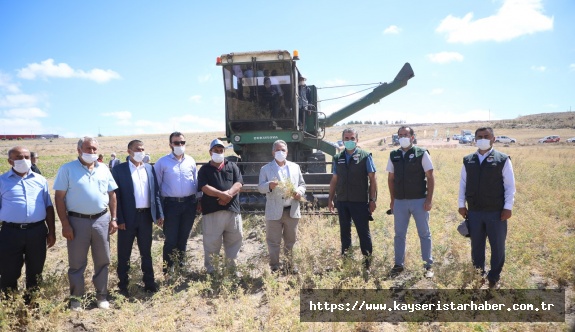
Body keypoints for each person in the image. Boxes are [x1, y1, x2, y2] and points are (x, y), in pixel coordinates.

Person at [53, 137, 118, 311]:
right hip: (76, 221)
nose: (92, 152)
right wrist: (65, 224)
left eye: (94, 149)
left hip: (101, 220)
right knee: (76, 262)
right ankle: (76, 299)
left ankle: (102, 296)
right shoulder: (67, 169)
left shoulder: (103, 168)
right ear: (79, 149)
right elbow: (59, 197)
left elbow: (112, 194)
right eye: (88, 149)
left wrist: (113, 218)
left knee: (103, 259)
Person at [458, 127, 515, 289]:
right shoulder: (468, 160)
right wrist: (461, 205)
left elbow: (510, 186)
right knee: (477, 246)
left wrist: (508, 207)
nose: (482, 139)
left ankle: (494, 276)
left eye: (486, 136)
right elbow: (463, 184)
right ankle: (478, 273)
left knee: (497, 246)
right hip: (474, 211)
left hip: (496, 212)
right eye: (479, 137)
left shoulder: (502, 159)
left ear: (493, 139)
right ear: (475, 139)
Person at [0, 146, 55, 303]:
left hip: (36, 231)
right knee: (9, 270)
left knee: (36, 270)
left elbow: (48, 207)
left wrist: (52, 232)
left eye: (26, 157)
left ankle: (32, 304)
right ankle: (9, 305)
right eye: (18, 157)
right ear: (10, 161)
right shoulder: (2, 181)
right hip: (10, 232)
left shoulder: (40, 180)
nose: (23, 160)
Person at [112, 140, 164, 295]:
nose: (140, 152)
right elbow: (116, 196)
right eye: (137, 149)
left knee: (146, 252)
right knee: (124, 253)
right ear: (129, 151)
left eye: (142, 149)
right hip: (127, 218)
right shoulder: (119, 170)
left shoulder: (149, 168)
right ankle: (123, 286)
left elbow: (155, 193)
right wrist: (119, 219)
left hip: (146, 217)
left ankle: (149, 283)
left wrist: (159, 213)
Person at [386, 126, 435, 278]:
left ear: (412, 137)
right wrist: (393, 200)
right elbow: (391, 179)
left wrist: (429, 199)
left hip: (419, 201)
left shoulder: (422, 153)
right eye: (400, 135)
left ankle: (428, 266)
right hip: (400, 202)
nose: (403, 137)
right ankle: (398, 265)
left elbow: (430, 177)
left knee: (424, 234)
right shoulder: (393, 155)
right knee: (399, 235)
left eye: (406, 135)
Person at [328, 128, 377, 271]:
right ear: (343, 140)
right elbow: (334, 180)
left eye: (352, 138)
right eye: (347, 138)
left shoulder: (365, 156)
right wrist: (330, 199)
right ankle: (346, 260)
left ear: (357, 140)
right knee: (344, 232)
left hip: (359, 201)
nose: (349, 141)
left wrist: (372, 199)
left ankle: (367, 263)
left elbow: (373, 180)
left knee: (363, 232)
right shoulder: (338, 158)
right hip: (342, 201)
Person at [154, 131, 200, 275]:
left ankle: (181, 267)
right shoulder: (162, 162)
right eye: (176, 143)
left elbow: (196, 183)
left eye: (182, 142)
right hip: (171, 205)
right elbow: (156, 188)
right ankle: (168, 271)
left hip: (189, 204)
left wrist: (199, 202)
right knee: (171, 239)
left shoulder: (191, 161)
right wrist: (159, 211)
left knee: (184, 238)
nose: (180, 145)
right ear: (170, 145)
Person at [258, 140, 306, 273]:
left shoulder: (295, 167)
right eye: (278, 150)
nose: (280, 152)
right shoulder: (265, 169)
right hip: (274, 211)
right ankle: (274, 266)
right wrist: (269, 185)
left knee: (291, 241)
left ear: (287, 152)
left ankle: (290, 265)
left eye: (283, 150)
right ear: (273, 152)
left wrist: (299, 192)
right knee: (273, 241)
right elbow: (260, 188)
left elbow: (302, 184)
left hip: (292, 210)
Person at [197, 139, 243, 274]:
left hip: (232, 211)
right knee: (211, 243)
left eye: (221, 150)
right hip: (212, 212)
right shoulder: (204, 170)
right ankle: (212, 271)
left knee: (234, 242)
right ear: (210, 152)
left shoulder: (232, 166)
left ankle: (232, 270)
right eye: (216, 150)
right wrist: (221, 195)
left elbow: (239, 183)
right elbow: (204, 187)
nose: (218, 153)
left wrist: (228, 194)